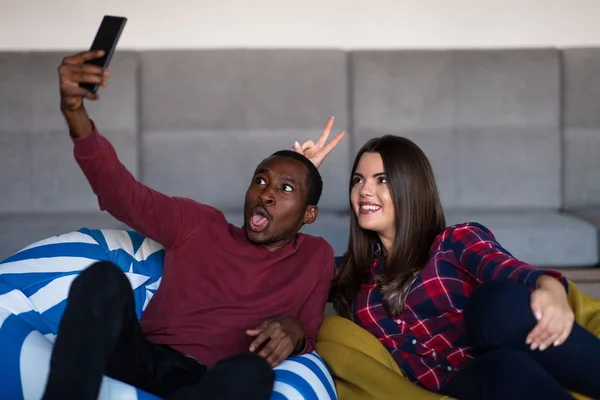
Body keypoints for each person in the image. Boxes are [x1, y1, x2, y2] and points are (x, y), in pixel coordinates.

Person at [42, 50, 335, 400]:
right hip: (145, 359)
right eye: (261, 180)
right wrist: (75, 113)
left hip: (213, 382)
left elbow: (312, 334)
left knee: (252, 373)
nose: (266, 194)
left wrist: (294, 330)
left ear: (309, 215)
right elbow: (123, 195)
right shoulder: (200, 224)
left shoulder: (316, 256)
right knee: (102, 278)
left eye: (284, 189)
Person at [294, 123, 600, 400]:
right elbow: (276, 266)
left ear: (410, 188)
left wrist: (553, 290)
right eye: (358, 180)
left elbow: (514, 273)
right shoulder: (350, 273)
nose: (365, 191)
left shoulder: (453, 242)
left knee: (494, 304)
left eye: (382, 179)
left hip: (506, 351)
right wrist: (298, 176)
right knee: (502, 369)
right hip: (467, 382)